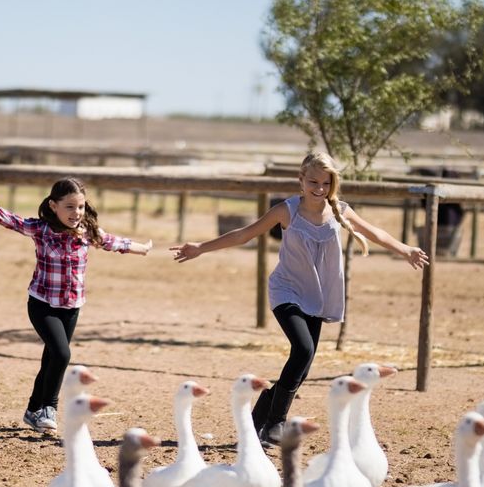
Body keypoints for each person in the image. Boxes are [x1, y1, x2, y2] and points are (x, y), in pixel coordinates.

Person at [170, 151, 428, 444]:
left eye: (326, 183)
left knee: (302, 368)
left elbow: (375, 233)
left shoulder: (341, 211)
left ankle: (258, 420)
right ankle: (275, 425)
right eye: (313, 182)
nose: (319, 188)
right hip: (286, 291)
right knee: (303, 350)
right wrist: (201, 247)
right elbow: (245, 234)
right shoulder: (287, 210)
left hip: (317, 296)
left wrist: (405, 249)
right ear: (301, 180)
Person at [0, 177, 151, 433]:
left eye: (81, 207)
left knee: (52, 359)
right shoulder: (40, 229)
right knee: (62, 355)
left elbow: (114, 242)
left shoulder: (87, 232)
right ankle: (49, 408)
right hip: (42, 305)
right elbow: (4, 217)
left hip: (71, 307)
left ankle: (33, 410)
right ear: (53, 206)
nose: (77, 213)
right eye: (70, 207)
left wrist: (142, 248)